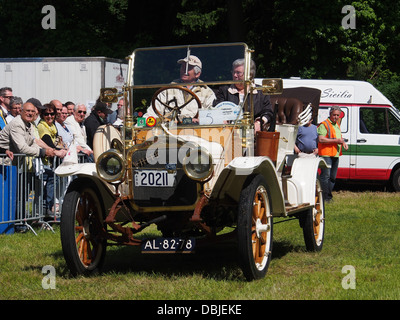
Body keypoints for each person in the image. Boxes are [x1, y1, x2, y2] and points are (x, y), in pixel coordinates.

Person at [144, 55, 216, 122]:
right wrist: (139, 127)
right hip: (170, 131)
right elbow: (152, 113)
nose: (184, 71)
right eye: (183, 67)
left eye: (188, 68)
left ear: (197, 74)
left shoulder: (207, 92)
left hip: (197, 131)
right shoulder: (168, 90)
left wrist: (200, 120)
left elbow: (212, 116)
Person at [214, 59, 273, 132]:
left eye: (238, 73)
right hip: (228, 132)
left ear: (249, 75)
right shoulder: (224, 90)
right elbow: (216, 109)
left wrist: (259, 122)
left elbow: (268, 112)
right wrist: (222, 119)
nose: (235, 75)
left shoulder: (261, 92)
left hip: (253, 133)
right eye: (233, 72)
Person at [37, 103, 67, 215]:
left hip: (51, 162)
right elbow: (47, 142)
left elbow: (57, 142)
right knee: (49, 183)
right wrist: (57, 151)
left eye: (52, 114)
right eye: (46, 114)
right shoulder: (42, 126)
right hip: (42, 162)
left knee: (54, 181)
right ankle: (45, 209)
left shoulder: (53, 126)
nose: (49, 116)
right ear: (42, 115)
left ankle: (48, 208)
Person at [317, 106, 348, 202]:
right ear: (330, 114)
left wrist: (343, 143)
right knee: (325, 176)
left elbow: (338, 137)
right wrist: (336, 141)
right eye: (334, 115)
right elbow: (321, 139)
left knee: (332, 177)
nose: (335, 117)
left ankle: (327, 196)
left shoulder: (337, 125)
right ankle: (325, 198)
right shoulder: (324, 124)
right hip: (326, 154)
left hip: (335, 154)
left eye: (337, 115)